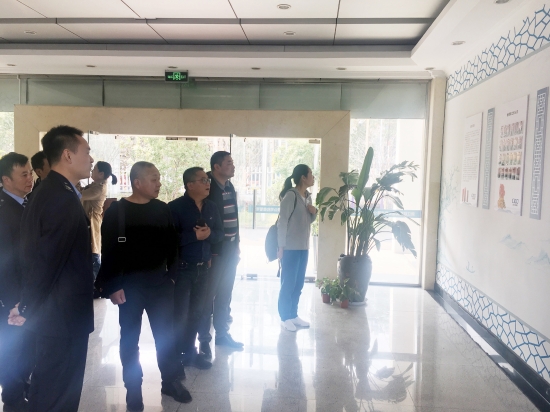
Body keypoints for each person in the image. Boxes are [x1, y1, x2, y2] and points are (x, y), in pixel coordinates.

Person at [8, 125, 95, 412]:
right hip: (62, 315)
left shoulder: (52, 190)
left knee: (51, 386)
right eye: (87, 151)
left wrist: (27, 302)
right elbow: (46, 259)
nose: (91, 158)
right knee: (57, 392)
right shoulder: (60, 197)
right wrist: (26, 305)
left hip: (56, 312)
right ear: (68, 155)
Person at [96, 161, 191, 410]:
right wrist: (113, 285)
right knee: (129, 341)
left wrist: (172, 277)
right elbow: (109, 251)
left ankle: (170, 381)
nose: (158, 183)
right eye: (153, 179)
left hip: (161, 286)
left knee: (166, 337)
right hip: (129, 289)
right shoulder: (118, 211)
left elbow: (173, 246)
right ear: (137, 183)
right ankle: (133, 390)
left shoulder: (162, 209)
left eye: (159, 178)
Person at [168, 167, 224, 370]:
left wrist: (209, 235)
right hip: (182, 270)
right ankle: (175, 357)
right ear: (190, 185)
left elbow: (220, 234)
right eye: (203, 180)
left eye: (207, 179)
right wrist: (194, 236)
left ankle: (190, 353)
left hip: (203, 270)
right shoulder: (174, 208)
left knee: (197, 314)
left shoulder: (212, 207)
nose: (208, 183)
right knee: (180, 315)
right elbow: (168, 240)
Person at [197, 151, 243, 360]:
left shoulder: (229, 186)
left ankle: (222, 334)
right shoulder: (207, 186)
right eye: (229, 163)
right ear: (217, 167)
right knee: (208, 296)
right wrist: (206, 251)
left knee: (225, 293)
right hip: (215, 251)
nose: (233, 166)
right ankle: (204, 340)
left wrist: (237, 243)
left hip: (230, 249)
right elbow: (202, 219)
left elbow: (234, 216)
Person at [0, 153, 34, 412]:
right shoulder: (4, 211)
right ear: (6, 180)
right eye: (23, 174)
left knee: (25, 346)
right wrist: (13, 300)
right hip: (12, 297)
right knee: (12, 348)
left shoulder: (25, 204)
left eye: (30, 173)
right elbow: (5, 261)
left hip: (25, 293)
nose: (29, 178)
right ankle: (12, 399)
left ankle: (22, 388)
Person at [277, 164, 317, 332]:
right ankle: (285, 317)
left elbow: (307, 221)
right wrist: (281, 247)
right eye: (311, 174)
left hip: (303, 247)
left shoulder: (307, 197)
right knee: (288, 283)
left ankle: (293, 314)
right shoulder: (291, 196)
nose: (313, 177)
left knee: (298, 283)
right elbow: (282, 222)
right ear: (303, 177)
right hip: (290, 248)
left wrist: (314, 212)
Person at [81, 161, 117, 281]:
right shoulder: (95, 185)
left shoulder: (99, 188)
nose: (92, 171)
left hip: (93, 223)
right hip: (88, 222)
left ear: (101, 174)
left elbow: (80, 195)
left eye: (94, 169)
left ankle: (97, 284)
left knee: (94, 255)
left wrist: (75, 179)